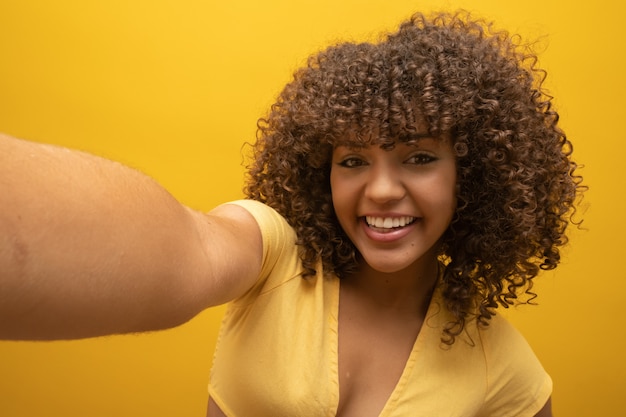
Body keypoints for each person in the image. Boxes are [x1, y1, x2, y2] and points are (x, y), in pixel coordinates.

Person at [0, 10, 582, 417]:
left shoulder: (499, 365)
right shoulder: (274, 254)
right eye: (352, 158)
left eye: (419, 157)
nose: (380, 190)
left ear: (471, 173)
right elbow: (188, 246)